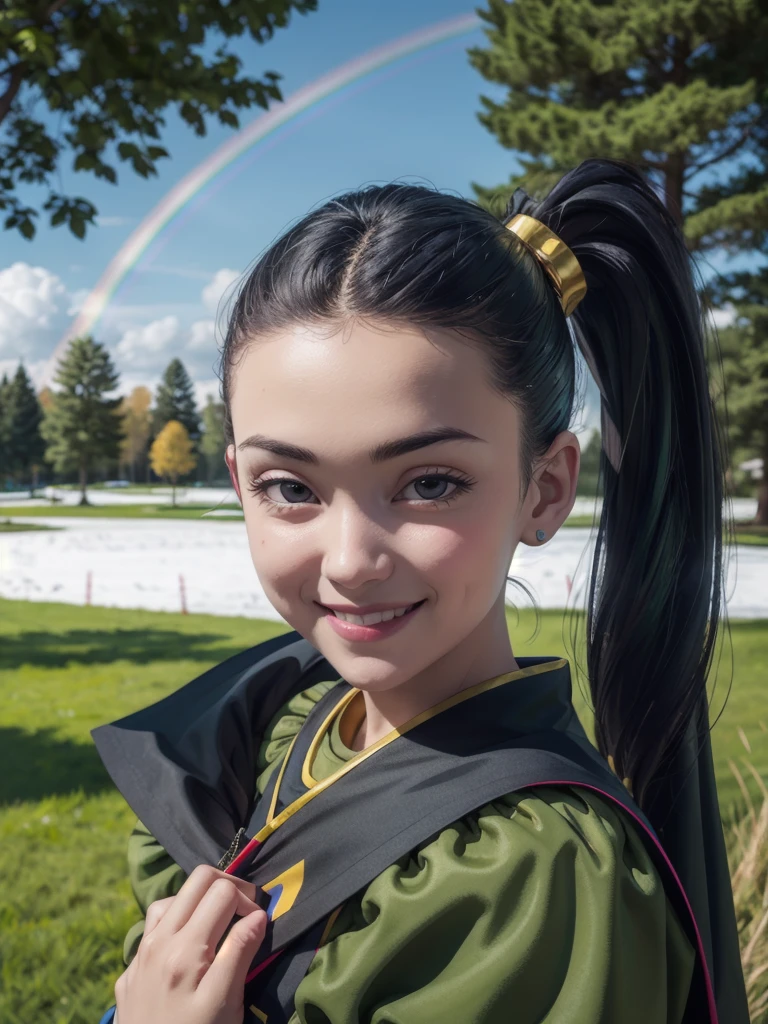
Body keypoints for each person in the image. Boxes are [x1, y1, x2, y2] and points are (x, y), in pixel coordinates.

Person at [92, 158, 749, 1024]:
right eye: (290, 487)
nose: (350, 560)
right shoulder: (294, 721)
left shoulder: (537, 884)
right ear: (238, 481)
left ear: (544, 489)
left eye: (429, 482)